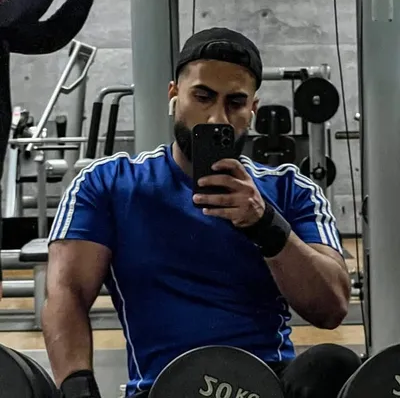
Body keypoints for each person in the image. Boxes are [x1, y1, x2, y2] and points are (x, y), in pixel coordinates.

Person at [42, 27, 361, 398]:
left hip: (263, 386)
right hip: (162, 389)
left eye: (235, 102)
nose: (216, 119)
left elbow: (332, 308)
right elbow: (66, 292)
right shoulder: (109, 183)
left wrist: (265, 225)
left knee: (332, 364)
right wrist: (77, 388)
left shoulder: (291, 190)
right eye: (203, 96)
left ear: (253, 110)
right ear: (174, 96)